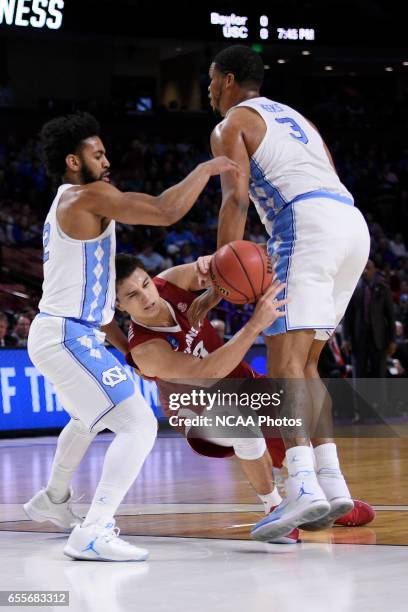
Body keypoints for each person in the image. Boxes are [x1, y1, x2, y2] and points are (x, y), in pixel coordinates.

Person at [24, 111, 241, 562]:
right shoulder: (88, 197)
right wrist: (204, 169)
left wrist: (126, 352)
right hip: (67, 335)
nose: (106, 159)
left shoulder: (71, 204)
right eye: (96, 153)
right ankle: (94, 530)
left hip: (68, 331)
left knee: (88, 417)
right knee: (138, 423)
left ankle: (53, 498)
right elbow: (165, 210)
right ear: (72, 160)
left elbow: (101, 303)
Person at [188, 45, 370, 541]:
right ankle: (332, 484)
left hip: (305, 223)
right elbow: (330, 175)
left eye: (210, 80)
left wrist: (220, 278)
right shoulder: (297, 119)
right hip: (352, 226)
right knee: (308, 364)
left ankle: (302, 486)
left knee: (285, 362)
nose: (208, 90)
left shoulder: (230, 124)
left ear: (226, 80)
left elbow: (235, 196)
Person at [116, 255, 375, 539]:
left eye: (145, 284)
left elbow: (225, 268)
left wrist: (216, 267)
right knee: (244, 427)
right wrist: (255, 324)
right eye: (132, 295)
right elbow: (209, 371)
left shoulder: (172, 281)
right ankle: (273, 507)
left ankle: (323, 499)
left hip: (239, 382)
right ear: (120, 305)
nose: (145, 296)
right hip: (194, 409)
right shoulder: (145, 350)